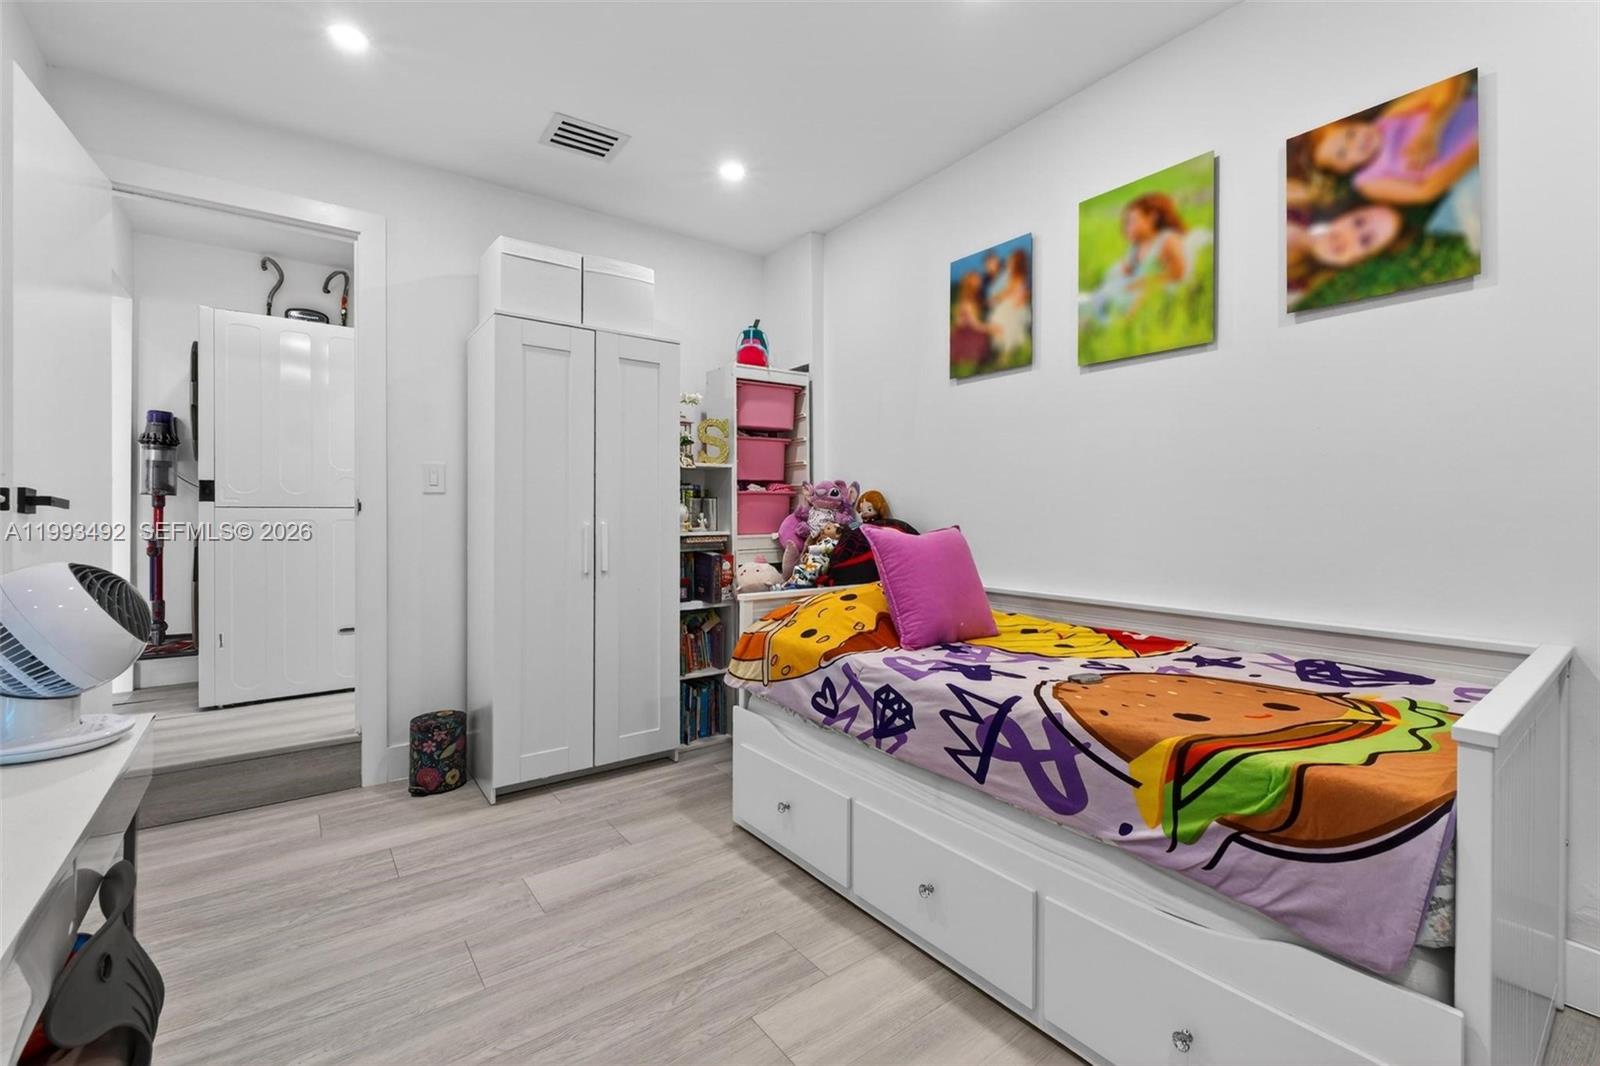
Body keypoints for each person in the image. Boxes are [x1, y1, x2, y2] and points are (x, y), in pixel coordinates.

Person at [1309, 73, 1478, 205]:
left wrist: (1432, 128)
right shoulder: (1368, 181)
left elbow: (1451, 81)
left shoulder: (1389, 119)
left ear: (1356, 122)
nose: (1356, 143)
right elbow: (1424, 192)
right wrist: (1475, 151)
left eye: (1351, 133)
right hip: (1472, 168)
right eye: (1343, 153)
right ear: (1342, 170)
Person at [984, 247, 1031, 358]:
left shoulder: (1018, 276)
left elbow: (1009, 292)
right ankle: (1004, 350)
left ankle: (1007, 351)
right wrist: (995, 299)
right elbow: (1005, 292)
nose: (1008, 262)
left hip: (1016, 306)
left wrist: (996, 298)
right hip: (1009, 304)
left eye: (1011, 260)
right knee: (998, 317)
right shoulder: (1010, 275)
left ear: (1017, 263)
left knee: (1004, 319)